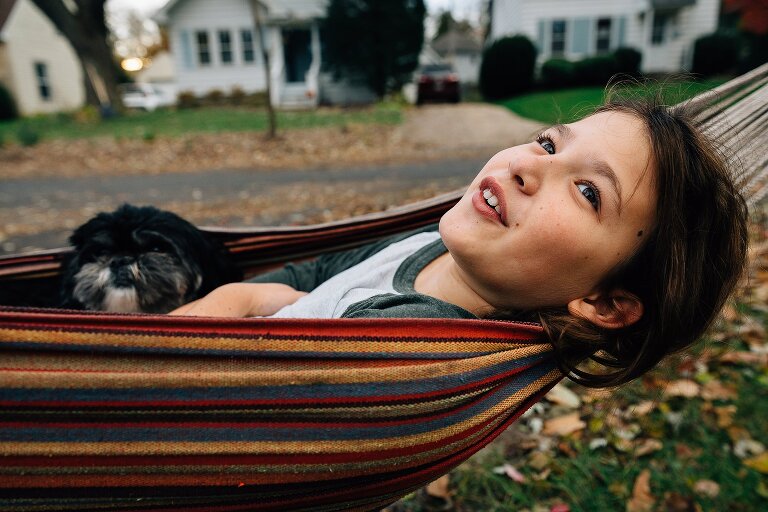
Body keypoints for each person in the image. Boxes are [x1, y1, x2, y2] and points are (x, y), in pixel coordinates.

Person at [171, 93, 749, 388]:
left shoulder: (408, 347)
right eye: (549, 144)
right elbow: (311, 278)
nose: (528, 165)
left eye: (588, 192)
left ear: (604, 303)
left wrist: (243, 301)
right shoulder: (438, 244)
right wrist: (244, 300)